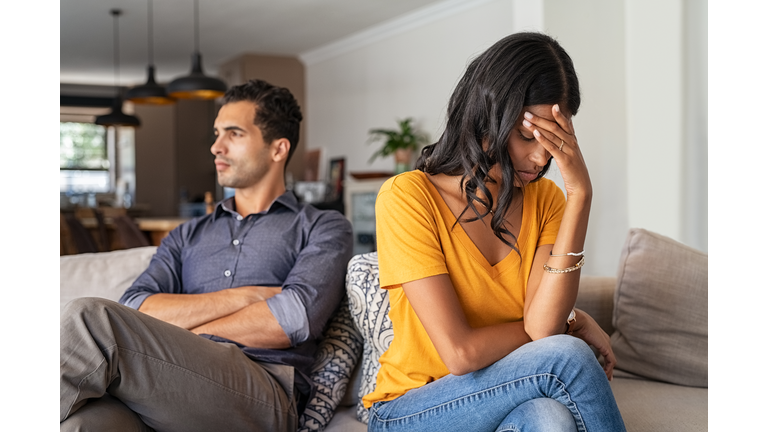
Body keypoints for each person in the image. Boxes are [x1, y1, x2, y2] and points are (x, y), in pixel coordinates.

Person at [364, 32, 626, 431]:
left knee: (550, 417)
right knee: (568, 357)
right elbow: (461, 353)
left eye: (554, 141)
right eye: (527, 136)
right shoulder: (407, 197)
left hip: (501, 396)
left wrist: (580, 194)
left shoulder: (548, 200)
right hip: (411, 410)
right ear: (486, 117)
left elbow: (541, 329)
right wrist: (568, 324)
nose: (541, 158)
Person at [60, 79, 353, 432]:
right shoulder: (187, 235)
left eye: (234, 134)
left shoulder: (323, 226)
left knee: (90, 317)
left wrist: (177, 334)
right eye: (217, 133)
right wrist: (244, 297)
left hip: (263, 390)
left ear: (278, 149)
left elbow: (291, 318)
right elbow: (136, 305)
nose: (216, 147)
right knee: (82, 424)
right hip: (168, 386)